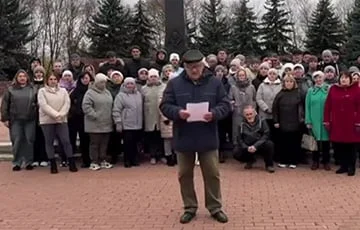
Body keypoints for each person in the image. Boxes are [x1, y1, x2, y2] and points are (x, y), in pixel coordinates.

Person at [160, 49, 231, 224]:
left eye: (197, 66)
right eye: (190, 67)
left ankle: (215, 207)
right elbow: (165, 105)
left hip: (207, 136)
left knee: (212, 174)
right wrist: (178, 112)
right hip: (184, 136)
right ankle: (190, 207)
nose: (194, 70)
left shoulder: (214, 83)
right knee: (184, 174)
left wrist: (213, 114)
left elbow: (225, 104)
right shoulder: (174, 84)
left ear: (203, 66)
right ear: (184, 66)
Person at [37, 74, 78, 174]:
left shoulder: (63, 91)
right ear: (47, 81)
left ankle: (71, 162)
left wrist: (61, 114)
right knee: (49, 142)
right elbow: (43, 105)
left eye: (55, 79)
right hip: (47, 120)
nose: (53, 81)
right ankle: (53, 164)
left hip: (61, 120)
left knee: (66, 141)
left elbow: (67, 103)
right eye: (50, 79)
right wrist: (55, 114)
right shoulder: (42, 91)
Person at [324, 72, 360, 176]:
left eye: (346, 78)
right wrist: (326, 120)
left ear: (350, 79)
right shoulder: (333, 89)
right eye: (342, 78)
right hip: (337, 122)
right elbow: (328, 106)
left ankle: (351, 167)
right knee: (340, 145)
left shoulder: (357, 90)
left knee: (351, 146)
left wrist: (358, 122)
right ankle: (343, 166)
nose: (343, 80)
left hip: (351, 123)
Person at [1, 70, 37, 171]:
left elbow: (38, 103)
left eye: (24, 76)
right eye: (20, 76)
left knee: (29, 140)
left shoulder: (32, 89)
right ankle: (17, 162)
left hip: (30, 119)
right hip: (15, 120)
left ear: (27, 78)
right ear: (16, 78)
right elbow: (4, 104)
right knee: (17, 140)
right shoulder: (10, 90)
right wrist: (5, 118)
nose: (22, 78)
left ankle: (29, 162)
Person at [82, 73, 114, 171]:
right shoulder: (90, 93)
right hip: (94, 124)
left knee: (104, 143)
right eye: (101, 82)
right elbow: (86, 106)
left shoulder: (107, 92)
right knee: (95, 144)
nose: (103, 84)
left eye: (104, 82)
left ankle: (103, 159)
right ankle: (94, 161)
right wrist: (95, 115)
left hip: (107, 122)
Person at [272, 74, 303, 169]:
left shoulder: (298, 93)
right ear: (284, 83)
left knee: (294, 143)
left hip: (295, 122)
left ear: (294, 83)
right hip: (283, 122)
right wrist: (276, 121)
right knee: (283, 143)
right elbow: (275, 109)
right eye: (287, 81)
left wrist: (301, 119)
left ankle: (293, 161)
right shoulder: (280, 94)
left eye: (291, 81)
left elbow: (302, 108)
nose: (289, 83)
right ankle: (283, 160)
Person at [234, 105, 275, 173]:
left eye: (251, 114)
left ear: (255, 113)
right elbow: (239, 139)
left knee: (270, 144)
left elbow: (266, 135)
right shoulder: (240, 124)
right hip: (248, 145)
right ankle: (250, 160)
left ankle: (269, 165)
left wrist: (255, 146)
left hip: (259, 144)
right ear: (244, 115)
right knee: (236, 152)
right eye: (247, 114)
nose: (249, 116)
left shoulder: (262, 120)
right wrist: (247, 147)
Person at [113, 77, 143, 168]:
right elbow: (116, 110)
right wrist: (118, 122)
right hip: (127, 124)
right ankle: (127, 160)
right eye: (128, 84)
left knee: (135, 143)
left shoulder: (139, 94)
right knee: (127, 143)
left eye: (132, 84)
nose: (130, 86)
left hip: (138, 124)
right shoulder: (120, 96)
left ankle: (135, 159)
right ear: (124, 85)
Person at [305, 71, 331, 171]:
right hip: (314, 120)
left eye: (320, 77)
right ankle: (315, 161)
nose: (318, 80)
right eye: (316, 78)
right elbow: (307, 107)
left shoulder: (328, 89)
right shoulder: (310, 91)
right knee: (314, 143)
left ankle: (326, 161)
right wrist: (308, 121)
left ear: (323, 78)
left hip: (325, 120)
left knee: (326, 143)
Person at [256, 68, 282, 160]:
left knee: (276, 136)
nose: (272, 75)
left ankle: (276, 155)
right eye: (270, 73)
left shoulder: (281, 85)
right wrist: (266, 108)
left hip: (277, 116)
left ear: (277, 75)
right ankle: (265, 155)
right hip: (264, 114)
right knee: (265, 134)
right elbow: (258, 98)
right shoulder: (262, 85)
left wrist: (276, 110)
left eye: (274, 74)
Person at [69, 72, 93, 168]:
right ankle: (71, 159)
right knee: (72, 139)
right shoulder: (75, 91)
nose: (85, 80)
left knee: (86, 140)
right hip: (76, 118)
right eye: (83, 78)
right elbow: (70, 102)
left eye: (87, 78)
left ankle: (87, 160)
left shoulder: (92, 91)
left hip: (88, 118)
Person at [142, 68, 166, 164]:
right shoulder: (144, 89)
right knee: (152, 137)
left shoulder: (164, 87)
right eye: (151, 77)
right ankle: (153, 156)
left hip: (161, 115)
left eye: (155, 76)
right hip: (149, 116)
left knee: (162, 136)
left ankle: (162, 155)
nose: (153, 78)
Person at [229, 68, 256, 148]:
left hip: (249, 113)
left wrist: (253, 109)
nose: (241, 77)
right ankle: (237, 147)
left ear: (246, 76)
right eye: (239, 75)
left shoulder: (251, 87)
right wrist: (233, 104)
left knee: (249, 131)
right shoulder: (233, 87)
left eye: (243, 75)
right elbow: (230, 98)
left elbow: (254, 99)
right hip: (238, 113)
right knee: (237, 131)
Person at [158, 65, 176, 166]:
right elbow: (160, 103)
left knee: (176, 137)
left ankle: (176, 155)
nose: (169, 73)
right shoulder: (162, 87)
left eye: (171, 71)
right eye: (167, 71)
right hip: (167, 117)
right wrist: (165, 117)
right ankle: (168, 156)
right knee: (167, 139)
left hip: (176, 116)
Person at [31, 66, 48, 167]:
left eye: (40, 72)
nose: (38, 74)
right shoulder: (30, 86)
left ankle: (44, 157)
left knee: (44, 137)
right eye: (36, 72)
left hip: (44, 114)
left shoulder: (46, 85)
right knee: (35, 137)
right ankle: (35, 158)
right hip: (33, 115)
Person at [106, 70, 124, 164]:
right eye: (114, 76)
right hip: (110, 114)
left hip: (124, 115)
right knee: (113, 136)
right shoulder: (107, 88)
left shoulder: (124, 87)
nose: (116, 78)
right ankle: (113, 155)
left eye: (118, 76)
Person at [215, 65, 232, 163]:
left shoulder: (228, 84)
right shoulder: (211, 83)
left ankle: (222, 152)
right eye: (218, 71)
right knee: (216, 132)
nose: (220, 73)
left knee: (223, 133)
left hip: (225, 111)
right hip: (215, 110)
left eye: (222, 71)